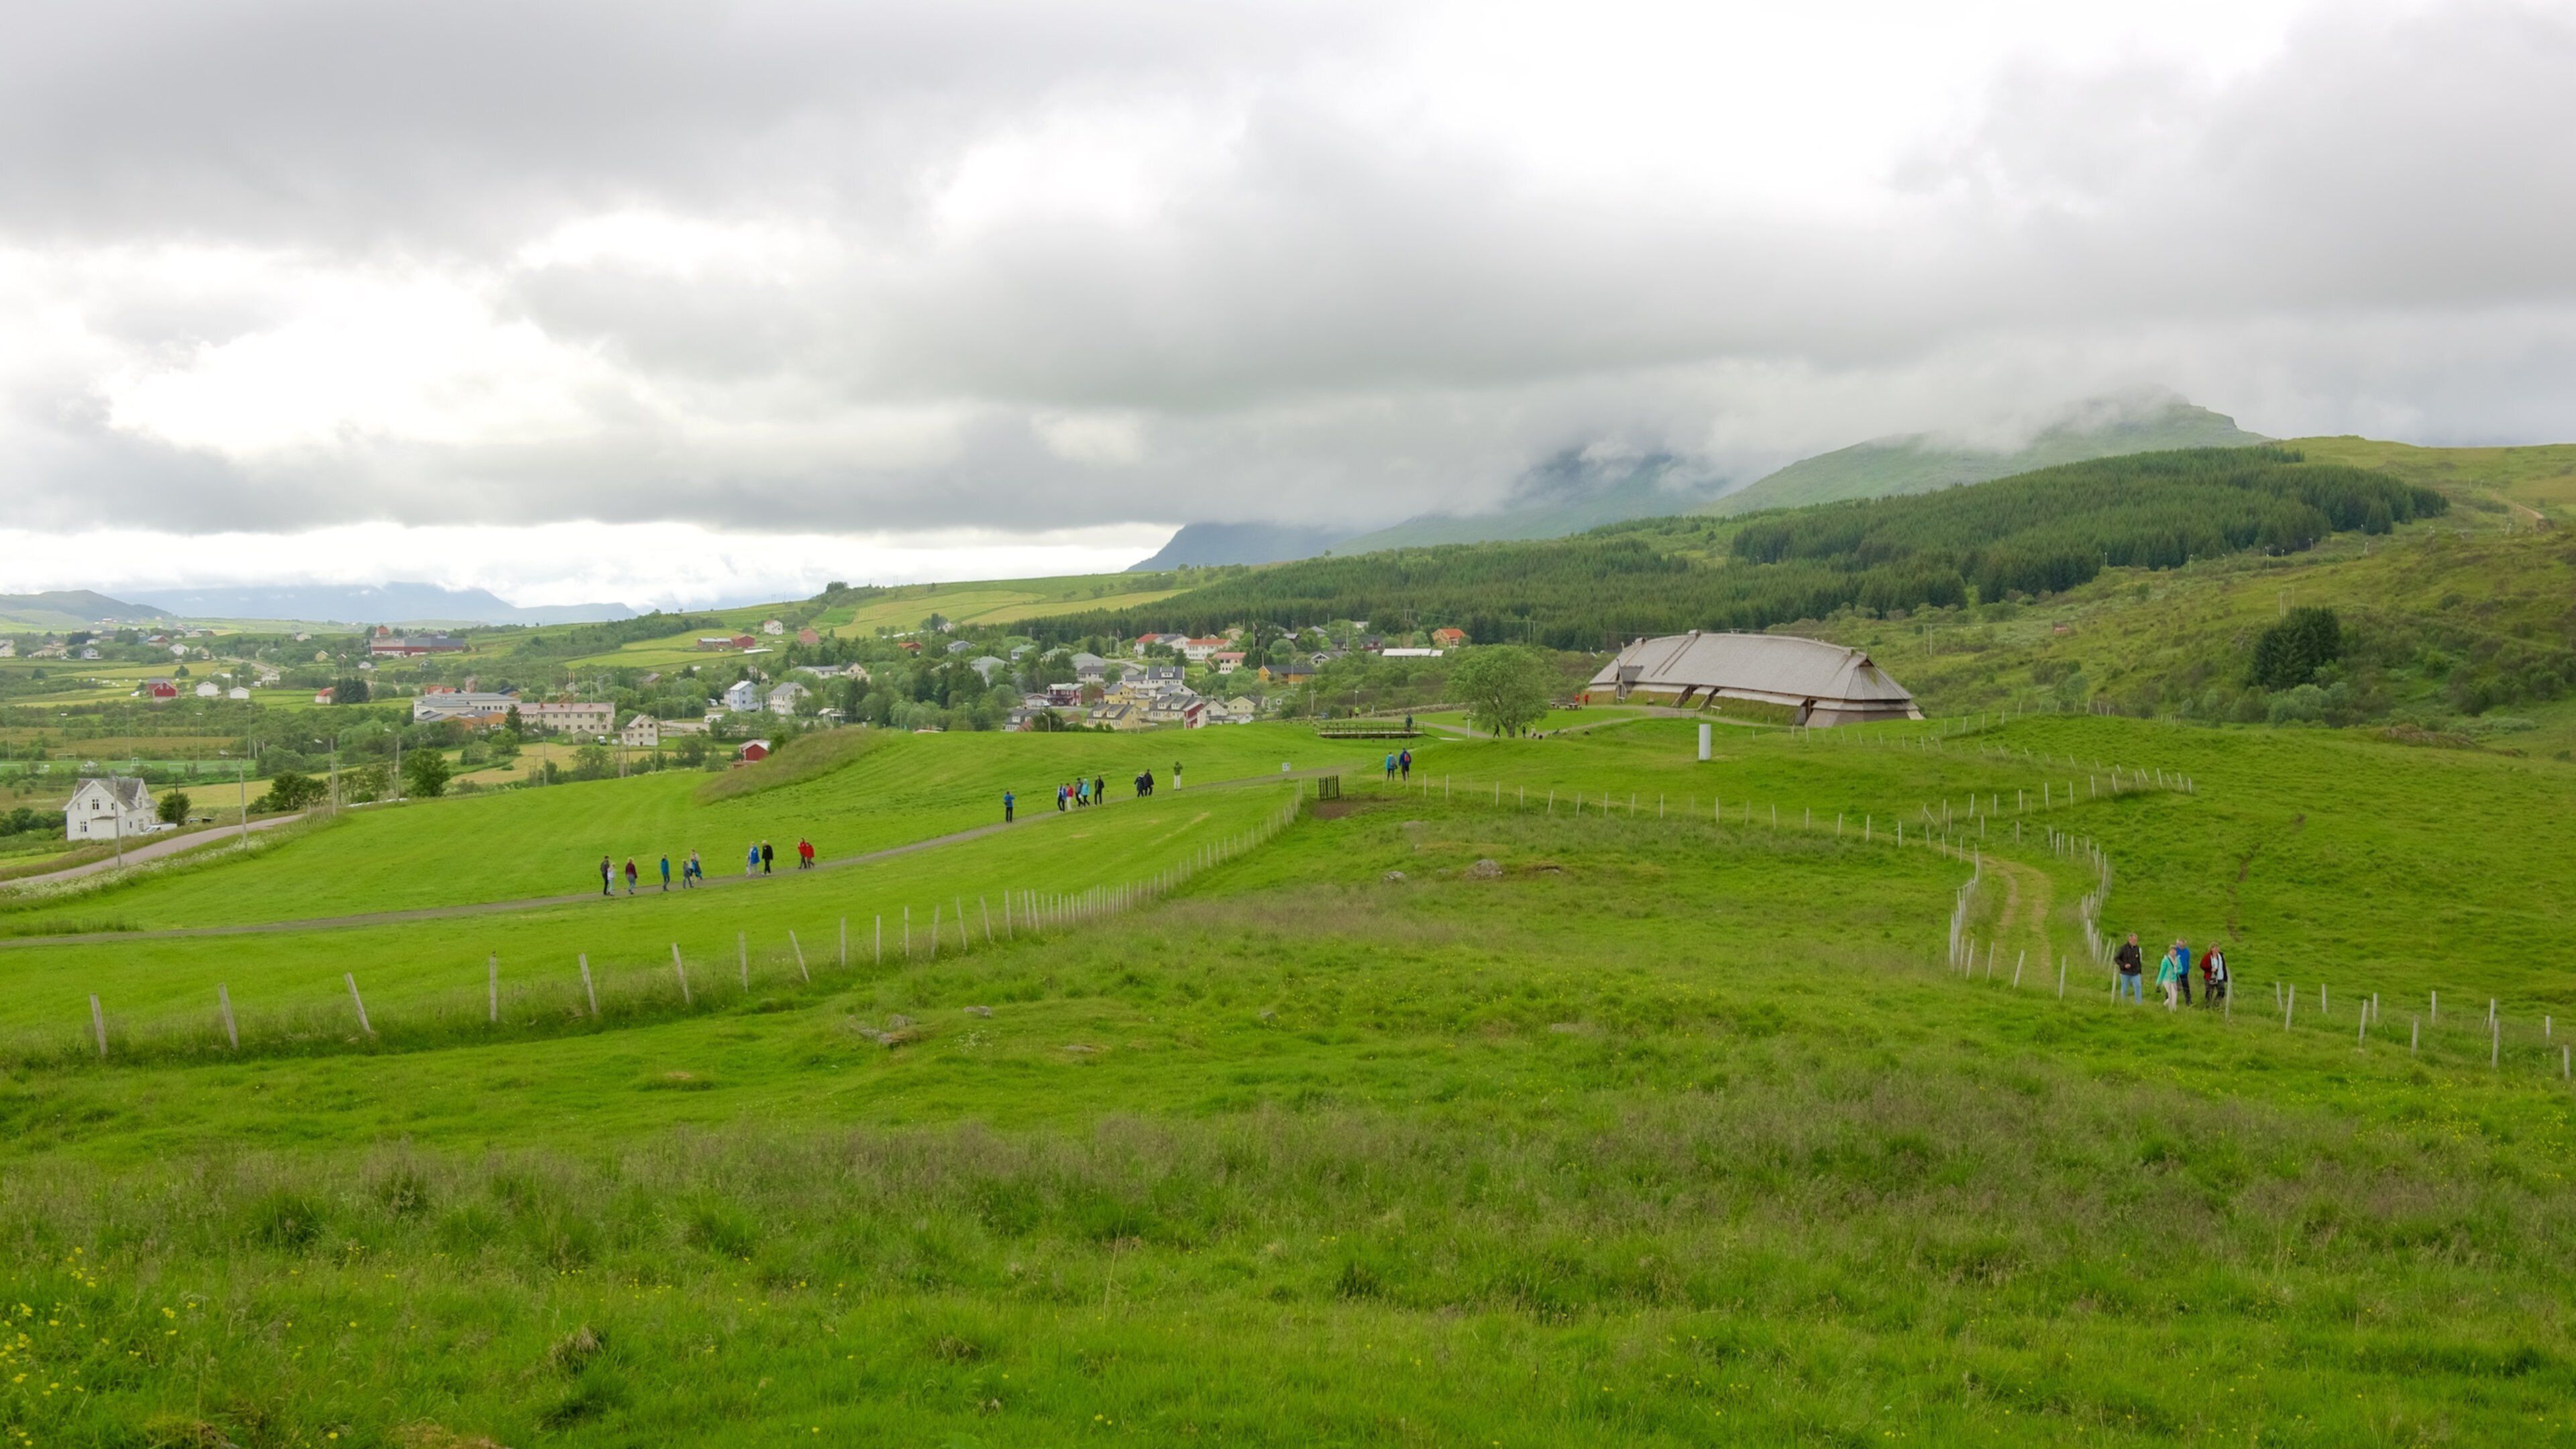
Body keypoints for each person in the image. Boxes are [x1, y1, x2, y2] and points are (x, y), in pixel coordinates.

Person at [2157, 939, 2188, 1010]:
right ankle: (2172, 1010)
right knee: (2172, 994)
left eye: (2174, 950)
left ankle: (2169, 1006)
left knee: (2175, 995)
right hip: (2166, 979)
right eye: (2172, 950)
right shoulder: (2165, 960)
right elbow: (2162, 971)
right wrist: (2158, 982)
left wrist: (2177, 971)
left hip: (2174, 979)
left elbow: (2181, 969)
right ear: (2169, 951)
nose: (2173, 952)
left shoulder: (2177, 960)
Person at [2112, 932, 2144, 1003]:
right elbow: (2116, 958)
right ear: (2130, 939)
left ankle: (2138, 1004)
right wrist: (2124, 965)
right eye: (2134, 940)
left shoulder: (2137, 948)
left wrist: (2140, 972)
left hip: (2136, 973)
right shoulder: (2123, 948)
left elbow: (2138, 961)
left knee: (2138, 987)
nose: (2136, 942)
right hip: (2125, 973)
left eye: (2136, 940)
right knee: (2124, 989)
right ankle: (2123, 1003)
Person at [2201, 943, 2229, 1007]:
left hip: (2220, 977)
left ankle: (2216, 1005)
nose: (2217, 949)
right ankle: (2207, 1005)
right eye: (2215, 948)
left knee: (2222, 991)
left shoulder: (2221, 956)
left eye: (2218, 948)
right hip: (2210, 977)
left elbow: (2223, 966)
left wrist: (2225, 976)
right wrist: (2210, 969)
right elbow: (2202, 965)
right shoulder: (2207, 956)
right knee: (2209, 992)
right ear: (2211, 949)